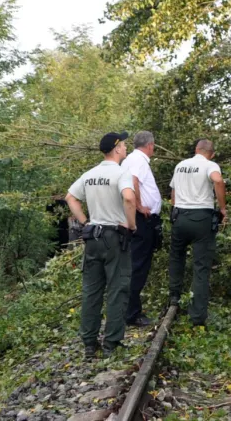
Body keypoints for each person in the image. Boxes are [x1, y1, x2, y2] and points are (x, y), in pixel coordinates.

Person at [65, 131, 137, 359]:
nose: (126, 148)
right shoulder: (122, 173)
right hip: (114, 237)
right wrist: (131, 224)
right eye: (124, 145)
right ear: (116, 149)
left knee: (92, 290)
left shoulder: (90, 174)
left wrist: (85, 221)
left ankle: (89, 343)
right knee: (117, 289)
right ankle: (111, 344)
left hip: (93, 237)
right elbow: (128, 197)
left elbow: (70, 197)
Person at [168, 139, 227, 327]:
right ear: (212, 153)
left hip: (180, 216)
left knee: (177, 257)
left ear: (196, 150)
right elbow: (218, 180)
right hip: (201, 217)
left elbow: (173, 192)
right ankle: (197, 316)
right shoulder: (210, 165)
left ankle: (174, 297)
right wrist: (223, 208)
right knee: (201, 266)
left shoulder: (181, 166)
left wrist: (177, 208)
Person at [122, 131, 163, 327]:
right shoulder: (138, 160)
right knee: (138, 266)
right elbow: (133, 181)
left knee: (137, 264)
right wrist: (139, 205)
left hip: (143, 218)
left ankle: (131, 309)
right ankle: (132, 313)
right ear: (150, 145)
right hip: (142, 219)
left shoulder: (133, 159)